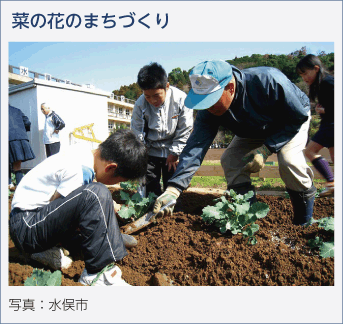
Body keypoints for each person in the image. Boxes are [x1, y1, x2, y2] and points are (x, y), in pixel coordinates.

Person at [153, 59, 317, 226]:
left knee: (289, 161)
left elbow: (297, 117)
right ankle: (248, 218)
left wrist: (266, 149)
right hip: (253, 127)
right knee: (230, 160)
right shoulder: (209, 110)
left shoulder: (268, 81)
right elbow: (195, 146)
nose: (208, 107)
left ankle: (304, 222)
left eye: (212, 100)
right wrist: (173, 189)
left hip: (289, 121)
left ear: (230, 87)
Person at [9, 129, 148, 286]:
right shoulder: (79, 170)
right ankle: (97, 274)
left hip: (30, 221)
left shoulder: (83, 153)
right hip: (27, 227)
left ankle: (105, 239)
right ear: (110, 168)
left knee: (93, 206)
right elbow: (60, 206)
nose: (111, 184)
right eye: (116, 180)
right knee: (97, 193)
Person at [130, 62, 193, 197]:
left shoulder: (181, 99)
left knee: (173, 187)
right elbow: (137, 131)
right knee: (151, 189)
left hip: (173, 150)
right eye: (148, 96)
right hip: (150, 151)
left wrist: (175, 152)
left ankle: (175, 214)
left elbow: (185, 129)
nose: (152, 100)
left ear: (167, 86)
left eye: (157, 95)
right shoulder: (140, 104)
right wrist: (142, 156)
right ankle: (152, 214)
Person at [296, 54, 334, 197]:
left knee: (310, 151)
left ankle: (331, 183)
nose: (304, 78)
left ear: (316, 68)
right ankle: (333, 185)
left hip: (332, 124)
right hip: (329, 124)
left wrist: (324, 110)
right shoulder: (321, 84)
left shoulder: (328, 82)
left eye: (305, 73)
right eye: (301, 75)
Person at [9, 105, 36, 188]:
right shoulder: (17, 110)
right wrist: (21, 130)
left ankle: (9, 185)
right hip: (20, 138)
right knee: (17, 165)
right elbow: (27, 122)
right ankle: (19, 187)